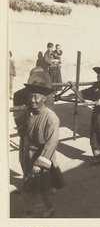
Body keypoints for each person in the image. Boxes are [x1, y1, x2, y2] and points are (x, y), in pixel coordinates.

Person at [17, 71, 64, 218]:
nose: (32, 100)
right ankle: (29, 213)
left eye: (36, 97)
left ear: (44, 98)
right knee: (28, 186)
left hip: (43, 155)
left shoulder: (51, 118)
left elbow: (51, 143)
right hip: (28, 154)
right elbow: (23, 134)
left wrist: (40, 163)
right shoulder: (27, 114)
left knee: (44, 187)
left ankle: (49, 208)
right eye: (31, 96)